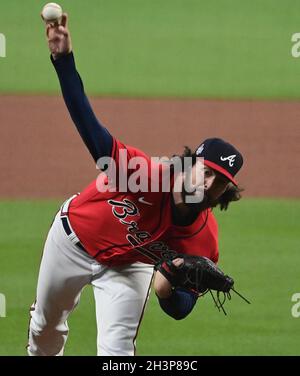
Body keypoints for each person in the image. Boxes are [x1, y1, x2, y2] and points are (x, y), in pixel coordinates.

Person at [27, 13, 244, 356]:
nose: (209, 181)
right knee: (46, 331)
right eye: (206, 170)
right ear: (190, 165)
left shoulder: (204, 240)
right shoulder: (144, 174)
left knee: (118, 353)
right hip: (72, 242)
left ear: (224, 194)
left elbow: (180, 307)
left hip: (129, 267)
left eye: (220, 181)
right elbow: (91, 129)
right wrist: (63, 60)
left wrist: (168, 285)